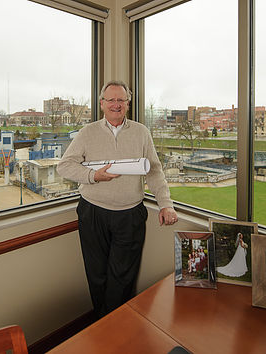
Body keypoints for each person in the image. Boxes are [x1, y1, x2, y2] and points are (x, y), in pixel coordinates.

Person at [56, 80, 177, 319]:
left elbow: (154, 170)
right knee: (97, 275)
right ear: (102, 104)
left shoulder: (141, 132)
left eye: (121, 100)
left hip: (130, 215)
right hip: (92, 213)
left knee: (123, 277)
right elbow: (64, 166)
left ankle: (116, 326)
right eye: (110, 100)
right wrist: (93, 176)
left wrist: (166, 204)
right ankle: (103, 329)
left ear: (128, 104)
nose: (116, 104)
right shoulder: (87, 133)